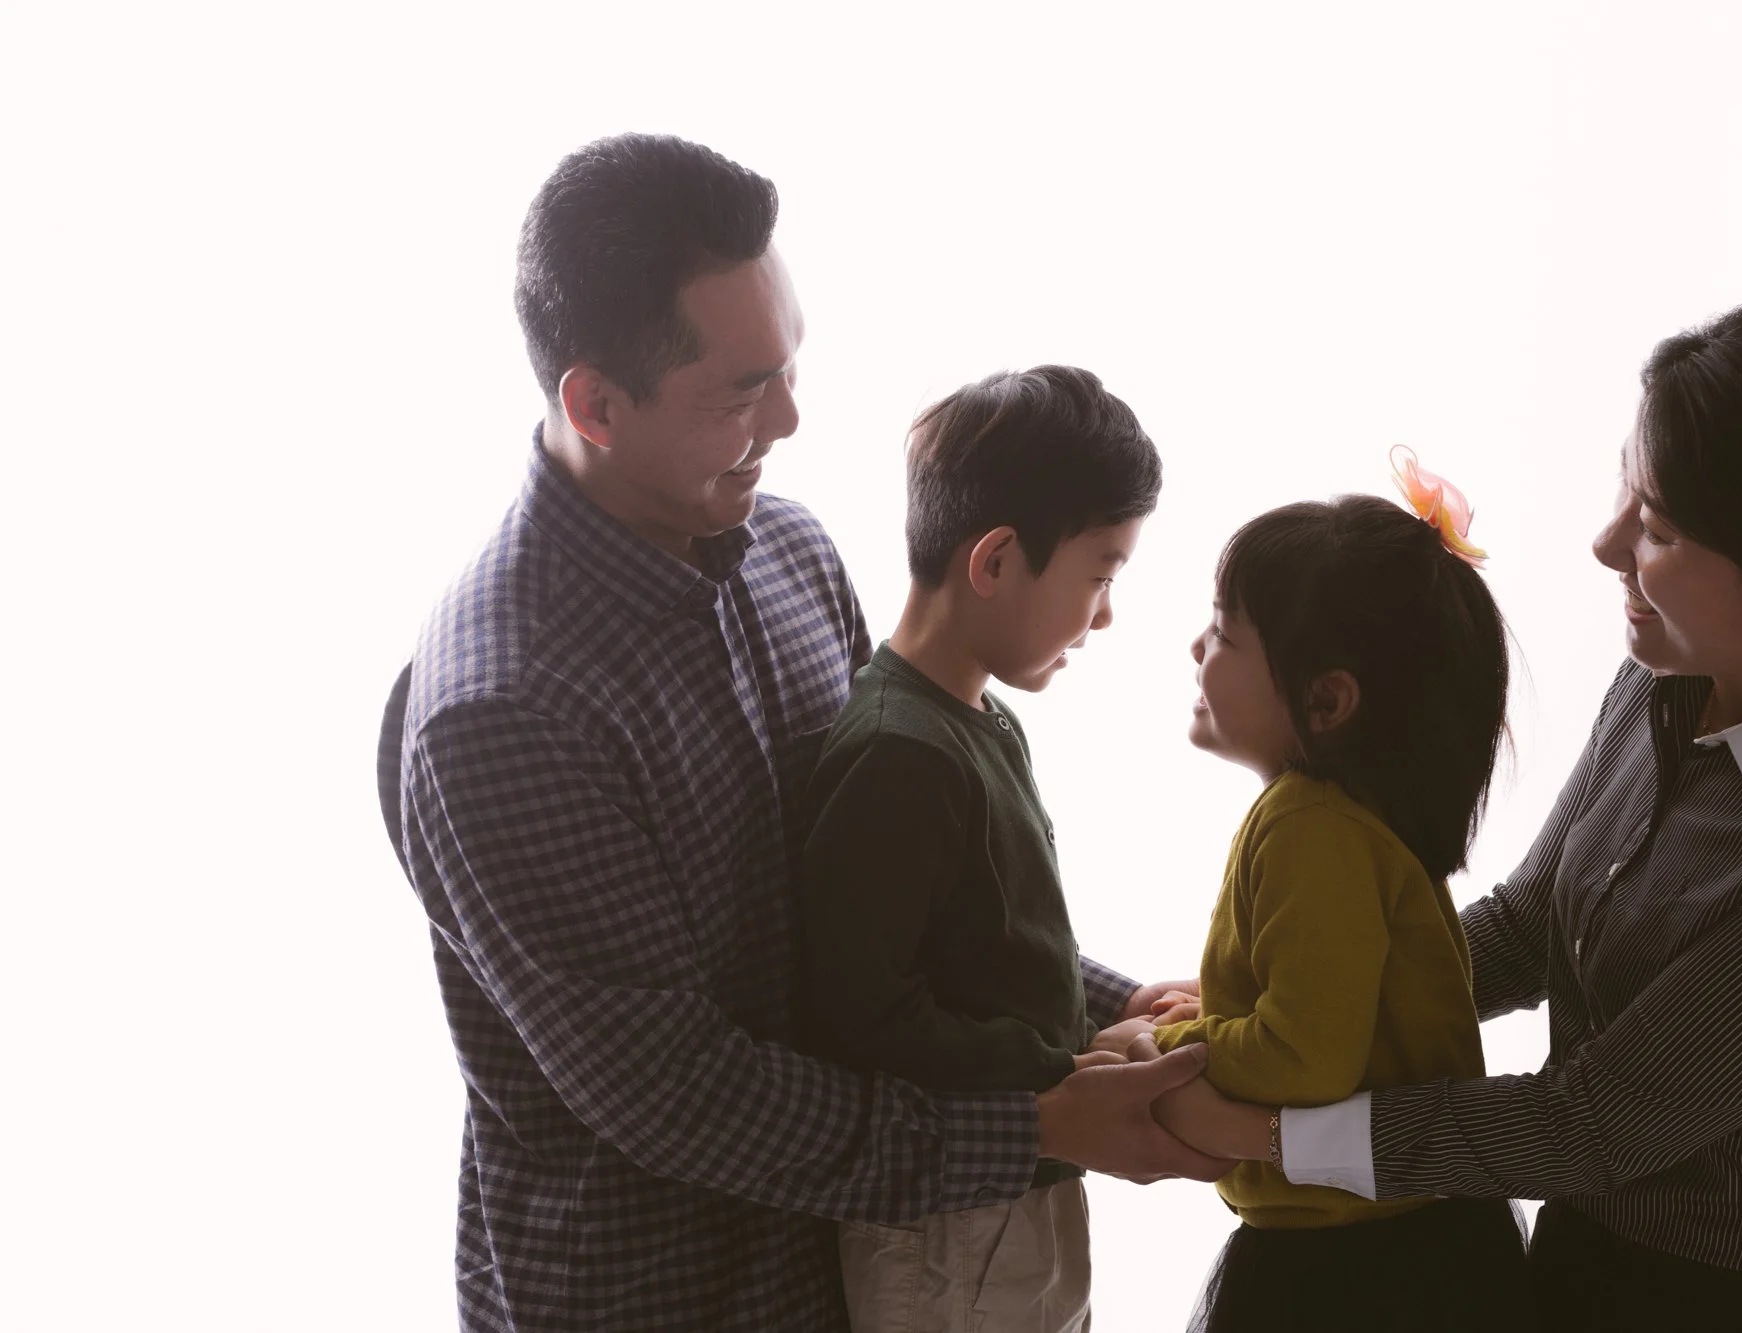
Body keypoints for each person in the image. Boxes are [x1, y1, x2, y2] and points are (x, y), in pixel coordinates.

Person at [375, 132, 1221, 1333]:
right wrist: (1035, 1122)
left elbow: (885, 898)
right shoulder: (500, 712)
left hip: (854, 1272)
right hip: (659, 1301)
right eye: (740, 389)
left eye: (788, 363)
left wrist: (1106, 1003)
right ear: (593, 403)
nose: (791, 414)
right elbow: (686, 1094)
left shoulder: (790, 551)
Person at [1155, 297, 1742, 1332]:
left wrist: (1272, 1132)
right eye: (1624, 493)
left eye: (1654, 527)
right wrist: (1307, 996)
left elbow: (1591, 1122)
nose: (1604, 545)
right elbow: (1528, 924)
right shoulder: (1664, 681)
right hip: (1584, 1264)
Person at [794, 365, 1166, 1332]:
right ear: (996, 561)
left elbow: (997, 940)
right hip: (945, 1222)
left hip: (1018, 1186)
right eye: (1102, 573)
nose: (1107, 613)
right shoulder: (895, 754)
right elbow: (862, 1017)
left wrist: (1119, 1004)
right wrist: (1066, 1069)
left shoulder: (976, 721)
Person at [1134, 459, 1531, 1331]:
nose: (1197, 649)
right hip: (1405, 1237)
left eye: (1224, 633)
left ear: (1327, 699)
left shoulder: (1308, 826)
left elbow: (1304, 1058)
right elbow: (1340, 1009)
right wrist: (1224, 1003)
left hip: (1353, 1269)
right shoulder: (1351, 816)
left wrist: (1175, 1045)